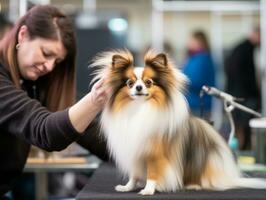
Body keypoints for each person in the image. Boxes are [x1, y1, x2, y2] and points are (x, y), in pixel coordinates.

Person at [0, 5, 109, 198]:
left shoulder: (34, 83)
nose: (49, 67)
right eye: (46, 53)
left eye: (57, 61)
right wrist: (96, 99)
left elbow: (91, 132)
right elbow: (46, 131)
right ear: (23, 35)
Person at [224, 27, 261, 150]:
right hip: (243, 95)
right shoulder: (245, 49)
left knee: (240, 126)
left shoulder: (241, 48)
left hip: (238, 93)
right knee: (243, 126)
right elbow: (240, 74)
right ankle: (243, 150)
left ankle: (242, 150)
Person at [182, 30, 216, 118]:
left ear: (199, 42)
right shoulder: (193, 58)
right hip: (193, 103)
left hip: (199, 104)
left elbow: (197, 81)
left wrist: (179, 81)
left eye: (191, 40)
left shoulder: (202, 59)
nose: (188, 43)